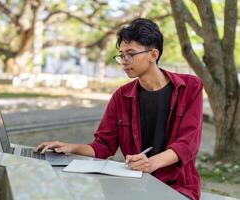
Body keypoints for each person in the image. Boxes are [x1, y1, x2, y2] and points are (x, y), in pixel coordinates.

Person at [34, 18, 203, 200]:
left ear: (153, 55)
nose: (124, 61)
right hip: (135, 184)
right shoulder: (121, 96)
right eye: (121, 55)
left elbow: (187, 144)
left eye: (130, 54)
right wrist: (70, 147)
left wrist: (151, 163)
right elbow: (103, 146)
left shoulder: (190, 87)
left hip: (177, 187)